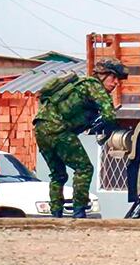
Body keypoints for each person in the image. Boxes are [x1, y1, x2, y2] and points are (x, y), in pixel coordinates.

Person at [34, 57, 127, 219]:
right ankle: (79, 211)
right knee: (84, 168)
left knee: (58, 174)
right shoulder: (94, 86)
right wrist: (107, 126)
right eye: (114, 78)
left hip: (41, 129)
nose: (116, 83)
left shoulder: (80, 85)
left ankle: (56, 213)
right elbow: (109, 114)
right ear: (102, 75)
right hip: (58, 130)